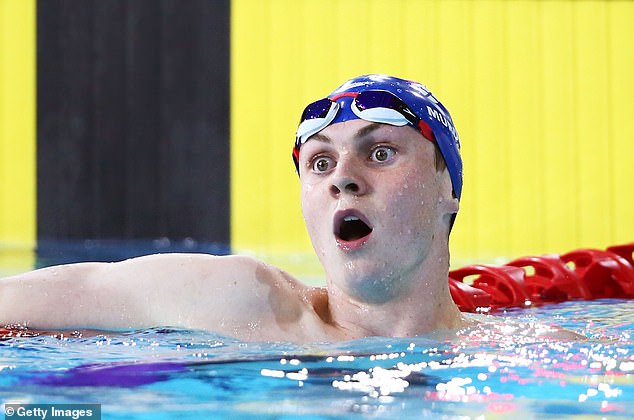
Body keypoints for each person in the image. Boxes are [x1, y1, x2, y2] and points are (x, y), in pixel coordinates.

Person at [0, 74, 468, 343]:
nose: (341, 177)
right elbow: (77, 289)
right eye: (320, 162)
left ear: (446, 185)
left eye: (380, 152)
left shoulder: (523, 349)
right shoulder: (245, 302)